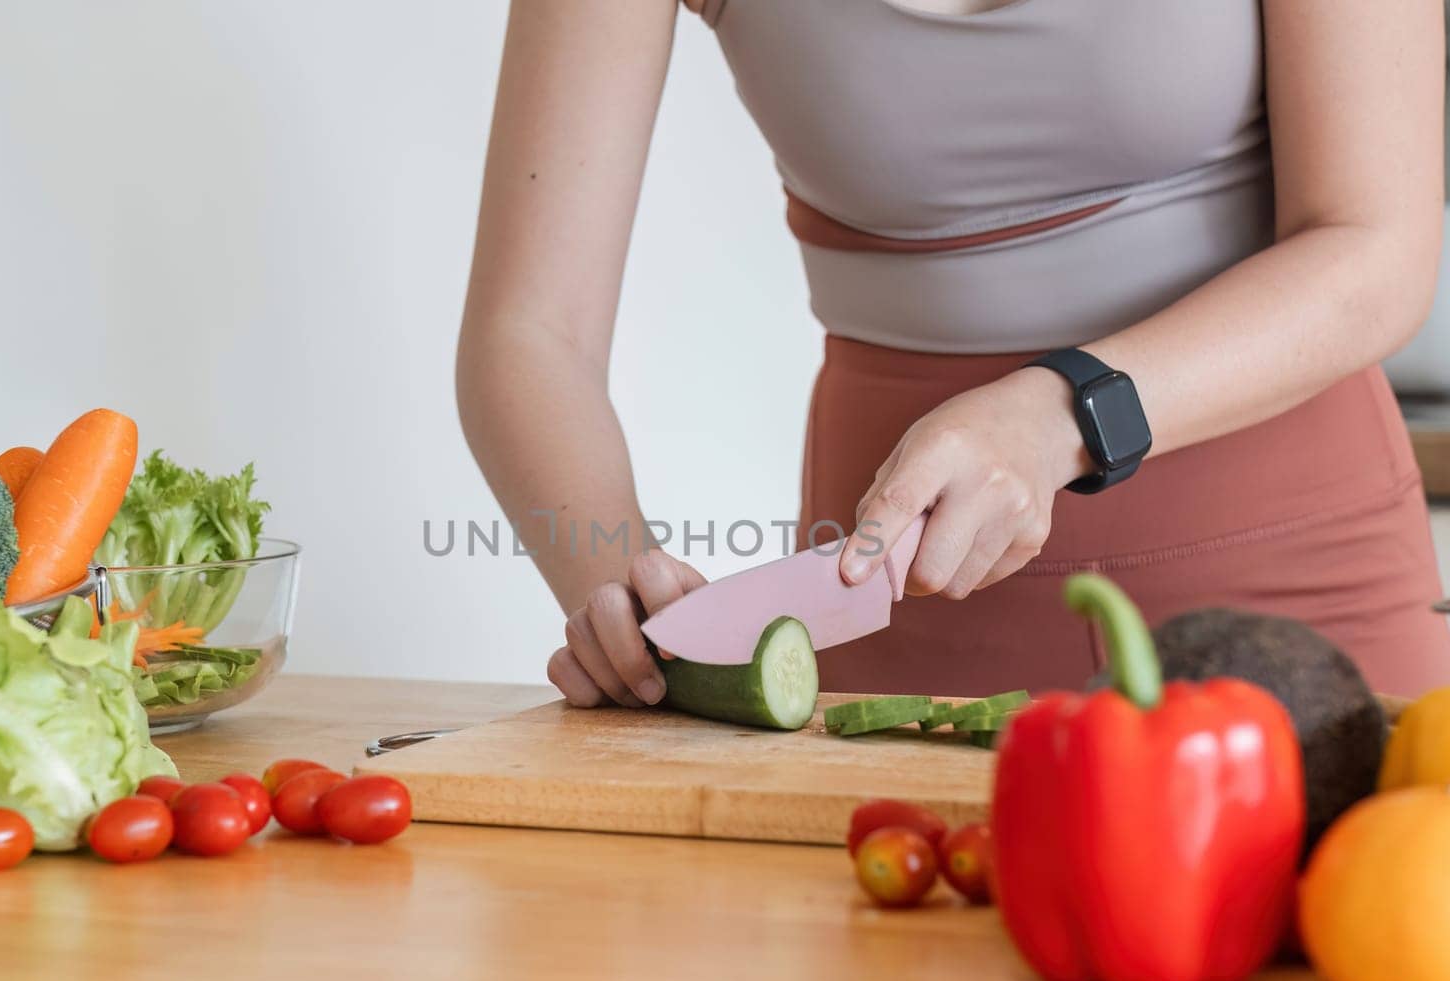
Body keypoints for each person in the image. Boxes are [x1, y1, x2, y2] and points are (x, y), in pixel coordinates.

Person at [457, 0, 1450, 704]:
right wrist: (621, 591)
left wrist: (1058, 412)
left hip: (1296, 594)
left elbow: (1376, 247)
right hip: (907, 621)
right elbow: (529, 332)